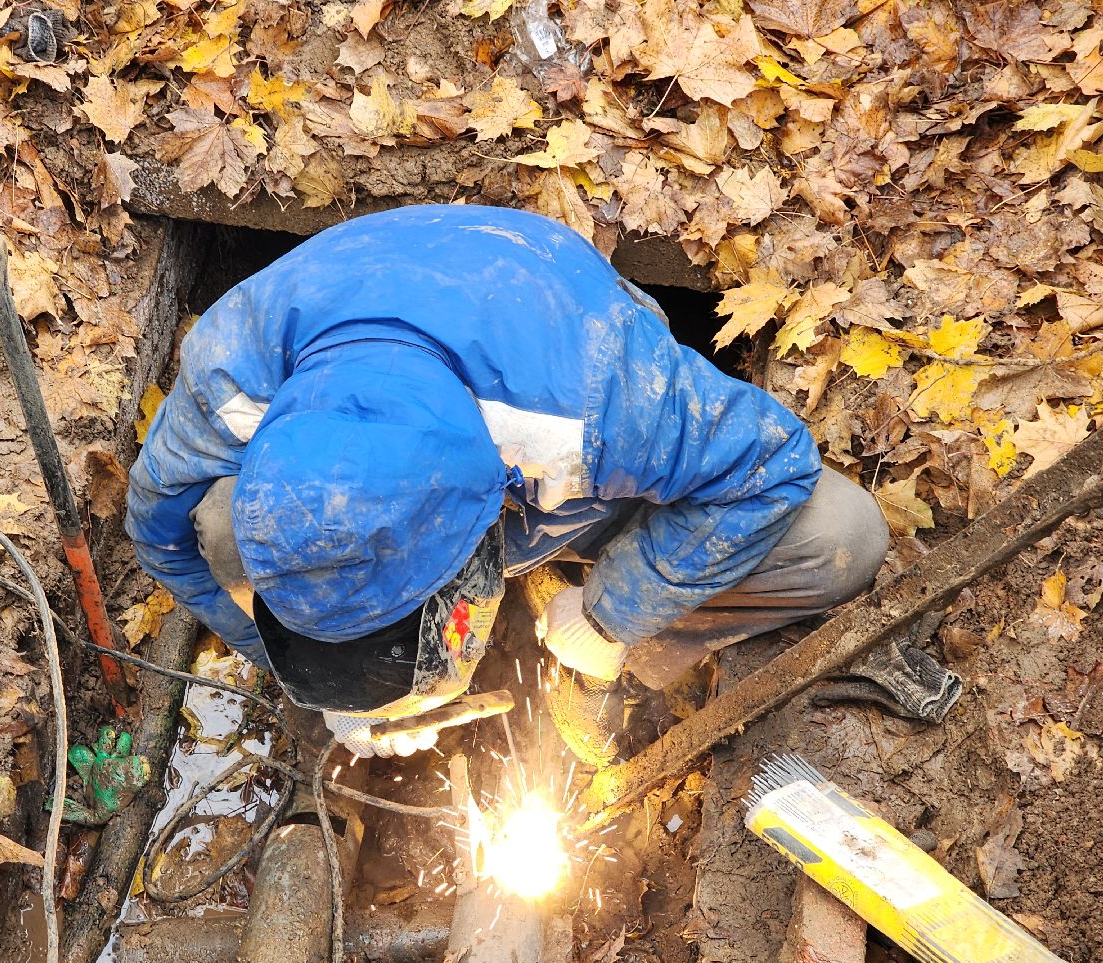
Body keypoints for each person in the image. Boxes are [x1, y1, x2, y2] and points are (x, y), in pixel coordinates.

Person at [126, 205, 888, 760]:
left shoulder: (603, 403)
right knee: (220, 526)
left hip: (559, 418)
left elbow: (773, 463)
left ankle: (610, 653)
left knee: (840, 540)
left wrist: (613, 613)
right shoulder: (233, 373)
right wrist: (325, 685)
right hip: (416, 353)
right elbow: (158, 534)